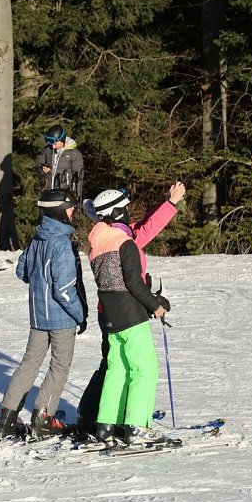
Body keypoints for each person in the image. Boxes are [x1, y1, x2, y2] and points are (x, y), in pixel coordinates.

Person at [79, 182, 186, 450]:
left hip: (110, 316)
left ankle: (106, 424)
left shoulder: (98, 243)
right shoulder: (124, 242)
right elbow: (133, 284)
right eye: (125, 209)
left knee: (117, 370)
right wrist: (155, 305)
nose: (129, 212)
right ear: (117, 213)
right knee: (144, 370)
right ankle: (137, 427)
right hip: (130, 314)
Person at [0, 189, 88, 442]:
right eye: (70, 208)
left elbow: (22, 270)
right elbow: (66, 290)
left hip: (38, 317)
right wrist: (80, 315)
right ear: (59, 212)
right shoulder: (62, 244)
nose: (73, 212)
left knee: (29, 363)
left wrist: (39, 284)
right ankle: (43, 419)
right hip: (61, 319)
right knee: (59, 365)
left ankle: (7, 420)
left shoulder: (38, 238)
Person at [37, 125, 84, 198]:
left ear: (62, 140)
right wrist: (42, 169)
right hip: (47, 192)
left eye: (55, 143)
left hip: (64, 194)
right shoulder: (47, 150)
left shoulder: (74, 153)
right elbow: (38, 165)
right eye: (51, 144)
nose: (53, 146)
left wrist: (75, 195)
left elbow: (78, 176)